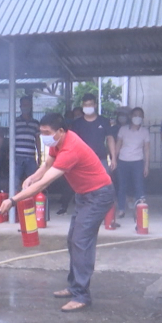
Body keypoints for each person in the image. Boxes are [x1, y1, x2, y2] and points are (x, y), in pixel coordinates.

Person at [0, 113, 114, 312]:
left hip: (98, 195)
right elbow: (46, 164)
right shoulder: (57, 142)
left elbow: (46, 182)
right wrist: (32, 177)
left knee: (81, 241)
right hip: (84, 195)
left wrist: (13, 200)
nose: (43, 136)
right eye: (41, 132)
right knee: (73, 240)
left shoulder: (71, 148)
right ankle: (74, 285)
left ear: (61, 131)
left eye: (47, 132)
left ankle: (82, 295)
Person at [70, 94, 117, 226]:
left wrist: (113, 158)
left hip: (101, 159)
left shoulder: (103, 121)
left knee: (106, 188)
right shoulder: (77, 123)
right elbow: (72, 143)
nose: (88, 107)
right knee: (83, 189)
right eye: (85, 105)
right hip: (82, 163)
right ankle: (84, 215)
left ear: (95, 105)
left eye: (90, 105)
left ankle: (108, 218)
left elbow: (110, 139)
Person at [114, 107, 150, 217]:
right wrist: (114, 159)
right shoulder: (123, 129)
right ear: (131, 116)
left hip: (137, 162)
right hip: (123, 161)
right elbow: (118, 145)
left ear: (143, 118)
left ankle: (139, 210)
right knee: (122, 186)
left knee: (139, 186)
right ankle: (121, 209)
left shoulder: (144, 132)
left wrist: (146, 165)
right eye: (135, 115)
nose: (137, 117)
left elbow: (147, 149)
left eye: (140, 115)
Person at [14, 96, 42, 192]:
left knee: (33, 181)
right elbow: (11, 139)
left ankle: (33, 202)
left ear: (30, 106)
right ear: (20, 106)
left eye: (27, 105)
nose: (25, 107)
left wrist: (39, 155)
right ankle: (15, 204)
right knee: (15, 181)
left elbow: (37, 139)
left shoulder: (35, 123)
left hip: (30, 157)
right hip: (17, 156)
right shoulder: (15, 121)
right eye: (24, 105)